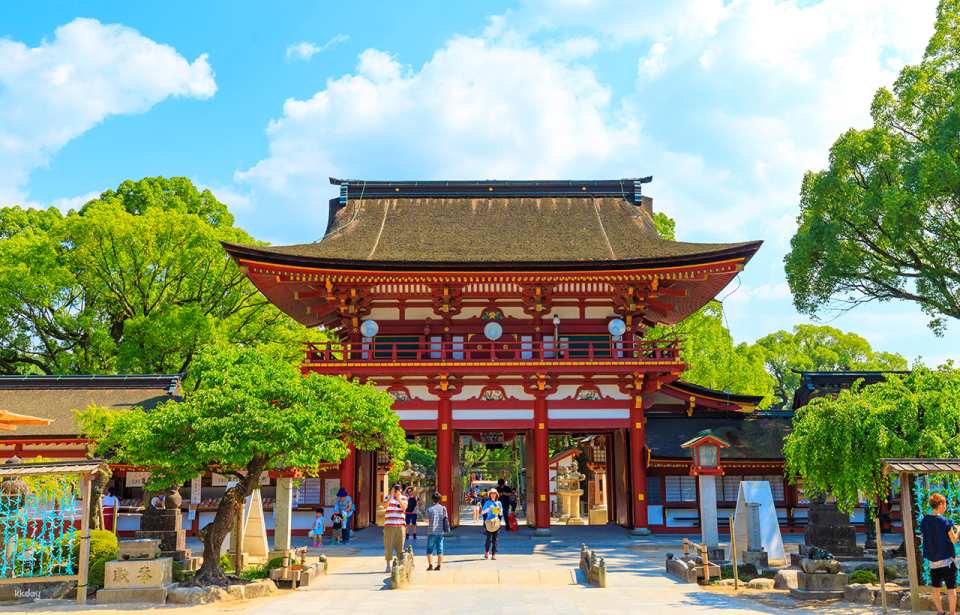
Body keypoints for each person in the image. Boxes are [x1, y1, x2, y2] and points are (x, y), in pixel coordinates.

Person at [921, 493, 959, 615]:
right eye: (945, 504)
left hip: (933, 562)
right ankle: (952, 613)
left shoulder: (925, 520)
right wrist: (958, 530)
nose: (946, 506)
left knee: (935, 589)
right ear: (941, 504)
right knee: (951, 589)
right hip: (947, 561)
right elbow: (954, 540)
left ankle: (940, 612)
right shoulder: (944, 521)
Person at [383, 483, 407, 572]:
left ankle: (400, 565)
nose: (397, 490)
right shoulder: (387, 497)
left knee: (400, 546)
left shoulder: (404, 498)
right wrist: (391, 496)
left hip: (400, 525)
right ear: (391, 489)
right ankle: (388, 565)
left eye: (398, 488)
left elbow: (404, 508)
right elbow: (385, 506)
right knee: (388, 545)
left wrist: (399, 498)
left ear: (401, 489)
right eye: (395, 488)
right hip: (389, 525)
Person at [425, 492, 449, 571]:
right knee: (440, 549)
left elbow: (426, 521)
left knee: (429, 550)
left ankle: (430, 565)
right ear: (439, 500)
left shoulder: (429, 509)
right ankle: (439, 566)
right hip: (440, 532)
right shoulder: (443, 508)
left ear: (432, 500)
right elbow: (445, 519)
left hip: (431, 532)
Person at [481, 488, 503, 560]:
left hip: (496, 522)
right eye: (491, 494)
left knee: (495, 539)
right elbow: (482, 512)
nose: (493, 495)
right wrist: (489, 509)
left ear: (496, 495)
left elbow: (500, 513)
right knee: (488, 538)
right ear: (490, 495)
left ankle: (493, 554)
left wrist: (498, 510)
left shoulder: (499, 503)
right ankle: (487, 552)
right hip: (489, 522)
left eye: (494, 494)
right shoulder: (487, 502)